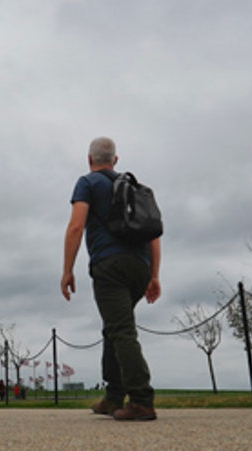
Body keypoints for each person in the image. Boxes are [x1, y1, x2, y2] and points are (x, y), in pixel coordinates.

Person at [61, 136, 161, 421]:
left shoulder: (87, 183)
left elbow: (76, 226)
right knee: (113, 327)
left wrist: (67, 270)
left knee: (121, 331)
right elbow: (153, 236)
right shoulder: (133, 187)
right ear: (115, 160)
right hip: (140, 268)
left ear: (89, 159)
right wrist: (154, 276)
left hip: (110, 265)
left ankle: (141, 399)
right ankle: (114, 396)